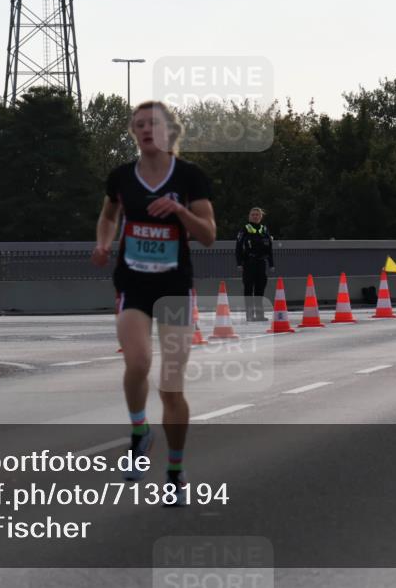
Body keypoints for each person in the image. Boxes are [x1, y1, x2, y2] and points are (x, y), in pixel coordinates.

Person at [91, 100, 216, 503]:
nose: (146, 130)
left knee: (171, 386)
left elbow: (209, 234)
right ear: (134, 132)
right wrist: (104, 242)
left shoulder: (190, 178)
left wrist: (179, 210)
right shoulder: (122, 177)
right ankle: (140, 431)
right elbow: (109, 215)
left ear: (169, 132)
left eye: (154, 124)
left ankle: (175, 473)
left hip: (175, 288)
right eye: (139, 124)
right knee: (138, 361)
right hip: (133, 284)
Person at [236, 207, 274, 321]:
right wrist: (239, 263)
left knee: (260, 289)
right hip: (249, 263)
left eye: (257, 215)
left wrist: (271, 264)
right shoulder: (245, 229)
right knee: (248, 289)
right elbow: (238, 247)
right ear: (249, 216)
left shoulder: (264, 229)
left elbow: (269, 248)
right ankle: (249, 315)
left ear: (261, 217)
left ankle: (259, 315)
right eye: (253, 214)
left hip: (261, 263)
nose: (255, 216)